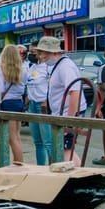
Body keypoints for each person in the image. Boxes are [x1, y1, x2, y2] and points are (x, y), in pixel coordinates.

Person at [35, 35, 86, 164]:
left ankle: (77, 178)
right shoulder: (60, 65)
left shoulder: (65, 66)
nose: (41, 56)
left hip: (69, 114)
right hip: (65, 113)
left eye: (44, 53)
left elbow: (75, 92)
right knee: (65, 149)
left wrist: (69, 120)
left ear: (54, 52)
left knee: (66, 151)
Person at [0, 44, 26, 164]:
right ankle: (19, 162)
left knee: (11, 138)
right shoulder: (22, 69)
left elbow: (0, 90)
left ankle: (18, 164)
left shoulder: (1, 71)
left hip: (7, 104)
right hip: (19, 102)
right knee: (17, 136)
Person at [24, 42, 53, 165]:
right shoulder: (32, 68)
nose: (32, 54)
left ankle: (54, 167)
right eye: (30, 52)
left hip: (43, 106)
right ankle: (40, 167)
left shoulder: (49, 68)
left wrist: (47, 100)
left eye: (34, 52)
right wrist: (28, 97)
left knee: (48, 141)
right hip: (32, 105)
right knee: (38, 141)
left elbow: (53, 87)